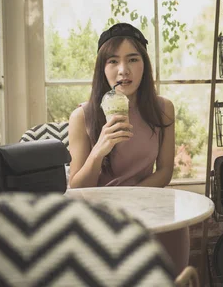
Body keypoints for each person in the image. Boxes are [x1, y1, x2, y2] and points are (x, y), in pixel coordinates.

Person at [67, 22, 188, 274]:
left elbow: (165, 171)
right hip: (101, 216)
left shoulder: (163, 108)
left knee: (176, 234)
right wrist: (100, 148)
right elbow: (77, 187)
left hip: (150, 207)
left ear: (144, 64)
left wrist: (132, 201)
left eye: (133, 59)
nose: (123, 70)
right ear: (103, 68)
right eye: (113, 61)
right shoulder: (83, 116)